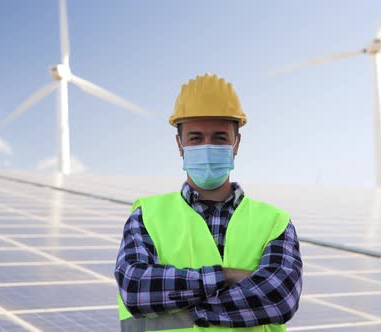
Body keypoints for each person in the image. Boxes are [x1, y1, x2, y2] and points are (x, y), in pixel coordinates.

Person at [114, 73, 303, 331]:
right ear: (179, 144)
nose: (207, 146)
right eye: (195, 138)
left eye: (219, 138)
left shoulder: (274, 222)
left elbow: (278, 297)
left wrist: (183, 307)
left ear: (236, 144)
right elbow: (136, 288)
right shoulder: (146, 215)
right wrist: (226, 276)